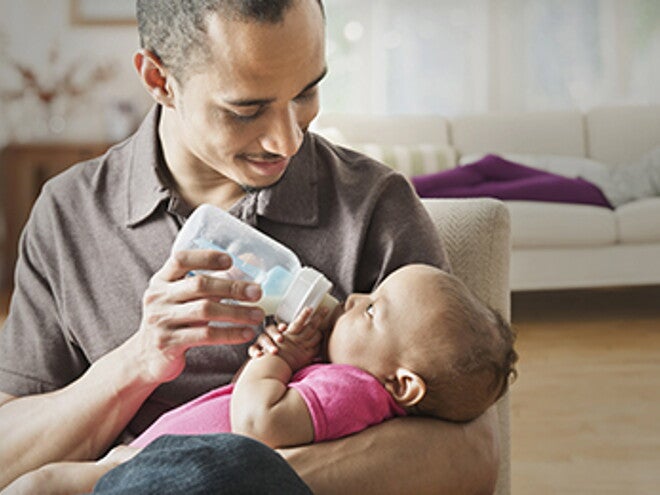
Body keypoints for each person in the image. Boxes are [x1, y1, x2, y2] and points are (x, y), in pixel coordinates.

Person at [0, 1, 501, 494]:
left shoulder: (374, 205)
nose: (286, 141)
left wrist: (214, 480)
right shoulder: (70, 213)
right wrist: (139, 359)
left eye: (307, 92)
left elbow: (472, 452)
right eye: (247, 109)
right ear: (159, 80)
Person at [3, 264, 517, 494]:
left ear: (403, 385)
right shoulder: (357, 386)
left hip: (164, 469)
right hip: (153, 460)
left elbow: (257, 423)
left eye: (374, 311)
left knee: (41, 487)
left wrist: (279, 358)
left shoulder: (352, 389)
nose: (356, 298)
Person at [412, 148, 660, 208]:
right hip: (593, 180)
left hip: (602, 193)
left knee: (493, 189)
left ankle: (406, 191)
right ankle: (406, 185)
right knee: (491, 164)